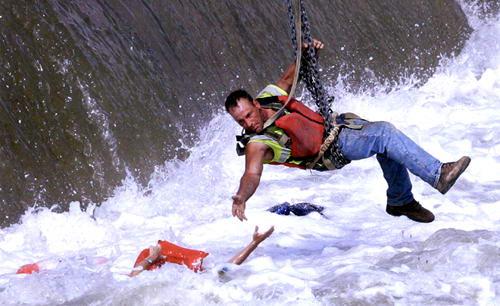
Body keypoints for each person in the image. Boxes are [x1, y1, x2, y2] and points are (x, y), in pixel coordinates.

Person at [225, 39, 471, 223]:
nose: (247, 123)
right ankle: (438, 175)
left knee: (387, 147)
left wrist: (306, 53)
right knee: (383, 134)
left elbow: (290, 78)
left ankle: (400, 201)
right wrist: (242, 196)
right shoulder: (257, 144)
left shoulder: (269, 97)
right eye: (241, 122)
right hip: (330, 151)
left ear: (256, 104)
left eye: (247, 115)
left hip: (338, 128)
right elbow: (252, 174)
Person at [129, 225, 274, 277]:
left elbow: (225, 268)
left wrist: (254, 243)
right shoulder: (191, 276)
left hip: (155, 259)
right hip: (156, 261)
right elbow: (133, 276)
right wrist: (254, 243)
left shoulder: (194, 275)